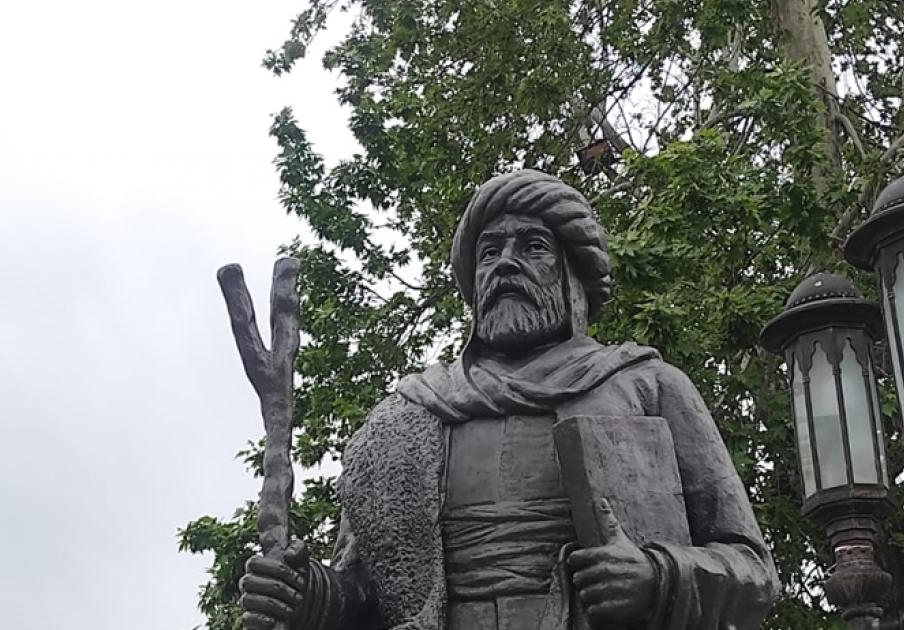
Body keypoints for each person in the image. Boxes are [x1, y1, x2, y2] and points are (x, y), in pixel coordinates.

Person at [239, 170, 779, 630]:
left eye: (533, 247)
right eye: (489, 252)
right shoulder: (408, 418)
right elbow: (365, 591)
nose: (505, 263)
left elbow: (753, 572)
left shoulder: (647, 387)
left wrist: (656, 578)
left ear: (572, 273)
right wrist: (303, 594)